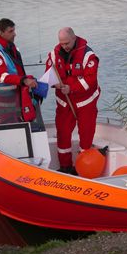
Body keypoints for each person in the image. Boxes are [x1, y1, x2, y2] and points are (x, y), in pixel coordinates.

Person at [46, 27, 100, 174]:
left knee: (86, 136)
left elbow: (90, 81)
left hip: (85, 102)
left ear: (74, 38)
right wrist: (54, 82)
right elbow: (49, 73)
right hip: (64, 102)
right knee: (63, 134)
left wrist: (71, 87)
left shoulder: (88, 56)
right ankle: (65, 167)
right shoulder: (53, 55)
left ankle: (84, 168)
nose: (64, 46)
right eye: (61, 43)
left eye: (67, 43)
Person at [0, 18, 38, 126]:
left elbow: (18, 71)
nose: (15, 34)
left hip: (14, 97)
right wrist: (24, 80)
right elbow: (1, 76)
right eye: (11, 31)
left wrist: (27, 81)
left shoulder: (11, 48)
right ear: (1, 32)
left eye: (14, 30)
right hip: (2, 101)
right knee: (9, 127)